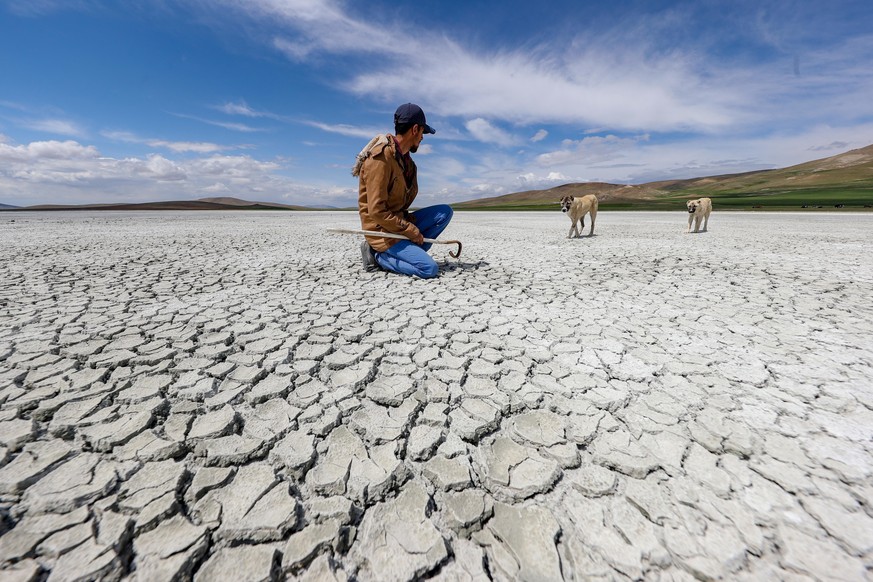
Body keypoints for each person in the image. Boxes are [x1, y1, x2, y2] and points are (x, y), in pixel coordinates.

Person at [352, 103, 453, 279]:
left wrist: (407, 227)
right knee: (428, 269)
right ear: (415, 129)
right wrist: (409, 229)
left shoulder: (408, 164)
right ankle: (377, 256)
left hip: (398, 223)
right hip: (382, 231)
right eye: (423, 132)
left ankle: (408, 252)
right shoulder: (380, 159)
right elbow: (376, 212)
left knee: (444, 212)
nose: (422, 138)